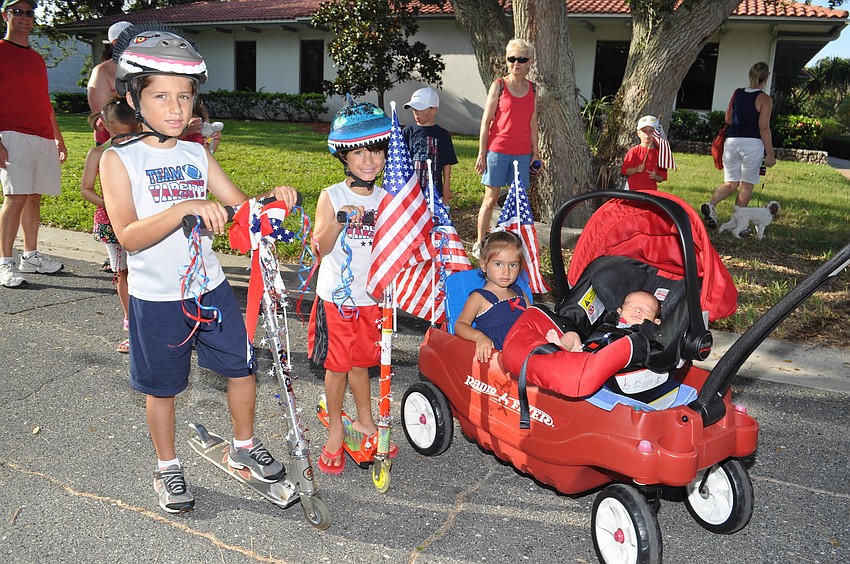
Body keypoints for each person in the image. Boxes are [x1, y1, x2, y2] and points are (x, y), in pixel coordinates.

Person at [99, 26, 296, 514]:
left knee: (242, 365)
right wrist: (185, 206)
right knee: (162, 387)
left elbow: (241, 207)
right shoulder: (117, 159)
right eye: (161, 96)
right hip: (157, 296)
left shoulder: (195, 153)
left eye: (184, 97)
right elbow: (127, 235)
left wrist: (274, 201)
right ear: (132, 97)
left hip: (209, 289)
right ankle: (167, 466)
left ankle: (244, 446)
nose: (175, 108)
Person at [308, 100, 396, 475]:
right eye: (359, 151)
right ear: (343, 155)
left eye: (376, 150)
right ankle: (336, 429)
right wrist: (341, 220)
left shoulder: (388, 199)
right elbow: (320, 246)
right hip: (338, 300)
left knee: (362, 362)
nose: (369, 159)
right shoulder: (332, 196)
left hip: (372, 299)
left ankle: (365, 419)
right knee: (338, 365)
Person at [0, 0, 67, 288]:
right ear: (5, 15)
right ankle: (5, 263)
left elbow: (44, 102)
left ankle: (31, 256)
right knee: (15, 198)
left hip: (42, 136)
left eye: (29, 13)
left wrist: (58, 137)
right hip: (12, 134)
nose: (25, 18)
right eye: (18, 12)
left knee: (34, 197)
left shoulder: (37, 59)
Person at [80, 97, 139, 353]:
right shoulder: (98, 153)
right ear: (105, 126)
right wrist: (109, 203)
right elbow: (85, 189)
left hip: (140, 219)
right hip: (110, 223)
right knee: (123, 273)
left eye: (130, 135)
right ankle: (132, 327)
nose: (124, 141)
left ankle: (153, 323)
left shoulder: (141, 150)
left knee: (143, 271)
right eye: (118, 135)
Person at [472, 38, 539, 259]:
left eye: (522, 59)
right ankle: (480, 242)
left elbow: (533, 123)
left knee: (518, 201)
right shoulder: (499, 85)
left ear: (529, 62)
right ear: (506, 60)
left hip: (521, 153)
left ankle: (513, 244)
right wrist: (482, 152)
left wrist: (535, 153)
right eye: (512, 59)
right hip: (497, 150)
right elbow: (486, 120)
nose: (516, 63)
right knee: (490, 199)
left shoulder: (533, 89)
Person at [701, 61, 776, 230]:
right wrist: (770, 154)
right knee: (746, 185)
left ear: (750, 75)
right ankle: (738, 222)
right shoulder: (765, 99)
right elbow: (763, 127)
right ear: (767, 77)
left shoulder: (737, 93)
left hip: (732, 141)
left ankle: (710, 205)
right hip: (752, 143)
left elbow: (728, 119)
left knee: (731, 183)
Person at [454, 230, 531, 362]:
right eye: (498, 264)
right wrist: (479, 337)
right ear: (484, 265)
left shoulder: (519, 293)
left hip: (525, 347)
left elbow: (533, 318)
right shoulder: (479, 297)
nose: (506, 272)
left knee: (568, 337)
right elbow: (460, 325)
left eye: (512, 265)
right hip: (499, 356)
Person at [548, 290, 662, 352]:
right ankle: (559, 348)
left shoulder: (646, 333)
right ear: (619, 311)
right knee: (572, 335)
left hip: (610, 360)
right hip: (584, 349)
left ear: (656, 321)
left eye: (646, 310)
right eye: (632, 306)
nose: (637, 311)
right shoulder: (612, 321)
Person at [402, 87, 458, 204]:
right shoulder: (408, 131)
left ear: (434, 110)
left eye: (421, 109)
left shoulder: (442, 135)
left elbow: (447, 163)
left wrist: (446, 187)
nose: (417, 113)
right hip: (411, 188)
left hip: (433, 190)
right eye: (414, 109)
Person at [87, 20, 132, 145]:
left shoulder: (145, 67)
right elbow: (99, 109)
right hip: (112, 137)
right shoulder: (102, 71)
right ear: (115, 43)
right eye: (130, 38)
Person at [621, 116, 667, 191]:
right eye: (644, 131)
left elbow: (662, 178)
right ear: (638, 133)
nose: (647, 134)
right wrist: (636, 169)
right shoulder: (634, 151)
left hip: (650, 193)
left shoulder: (660, 154)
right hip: (633, 191)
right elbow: (625, 171)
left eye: (651, 131)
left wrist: (655, 176)